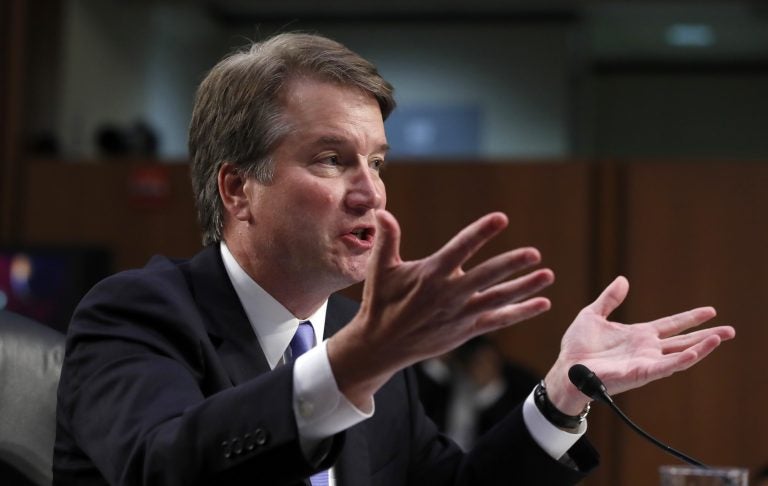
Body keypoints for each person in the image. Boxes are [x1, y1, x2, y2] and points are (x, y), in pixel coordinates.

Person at [53, 32, 735, 486]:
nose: (371, 192)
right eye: (332, 159)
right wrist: (357, 363)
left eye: (378, 163)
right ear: (238, 188)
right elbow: (163, 467)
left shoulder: (363, 340)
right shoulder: (137, 314)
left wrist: (559, 395)